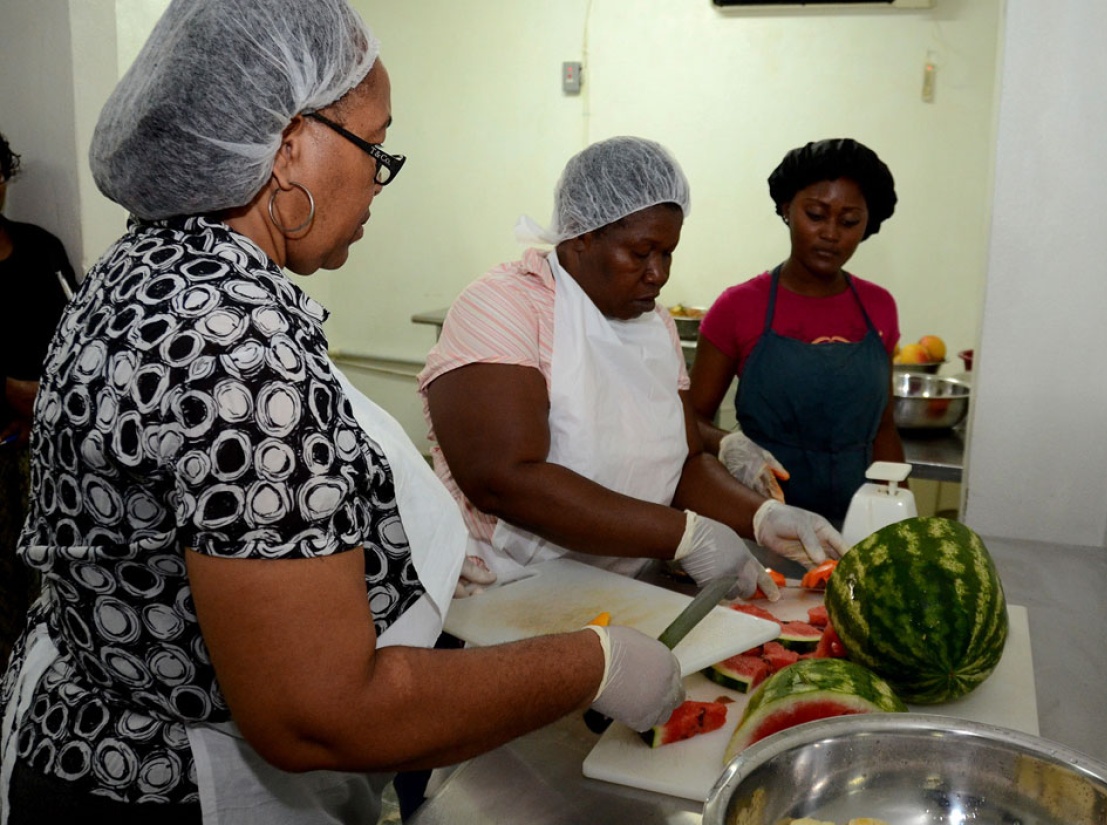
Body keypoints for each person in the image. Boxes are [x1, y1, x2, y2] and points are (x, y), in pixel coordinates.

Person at [0, 3, 682, 823]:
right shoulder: (233, 348)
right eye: (374, 147)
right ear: (289, 148)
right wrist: (594, 663)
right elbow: (320, 714)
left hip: (71, 742)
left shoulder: (140, 269)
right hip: (169, 789)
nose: (377, 180)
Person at [418, 136, 848, 603]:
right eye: (641, 252)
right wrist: (683, 536)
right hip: (504, 588)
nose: (658, 273)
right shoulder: (505, 306)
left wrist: (761, 518)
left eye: (668, 253)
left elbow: (682, 463)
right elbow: (505, 480)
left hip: (620, 586)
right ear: (582, 234)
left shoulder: (655, 325)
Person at [689, 138, 905, 525]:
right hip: (760, 519)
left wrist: (900, 519)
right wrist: (729, 444)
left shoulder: (879, 307)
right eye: (816, 214)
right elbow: (689, 421)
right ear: (787, 208)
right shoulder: (738, 308)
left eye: (849, 221)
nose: (831, 233)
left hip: (857, 523)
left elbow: (883, 428)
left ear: (867, 224)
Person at [0, 130, 76, 672]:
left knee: (46, 600)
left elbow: (81, 341)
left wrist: (49, 406)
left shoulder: (40, 248)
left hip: (46, 456)